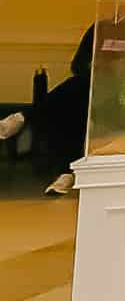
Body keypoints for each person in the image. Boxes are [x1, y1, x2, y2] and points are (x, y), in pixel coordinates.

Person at [0, 27, 91, 195]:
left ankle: (22, 117)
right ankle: (66, 172)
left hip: (122, 91)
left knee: (77, 88)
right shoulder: (102, 26)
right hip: (93, 86)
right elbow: (78, 64)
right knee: (71, 103)